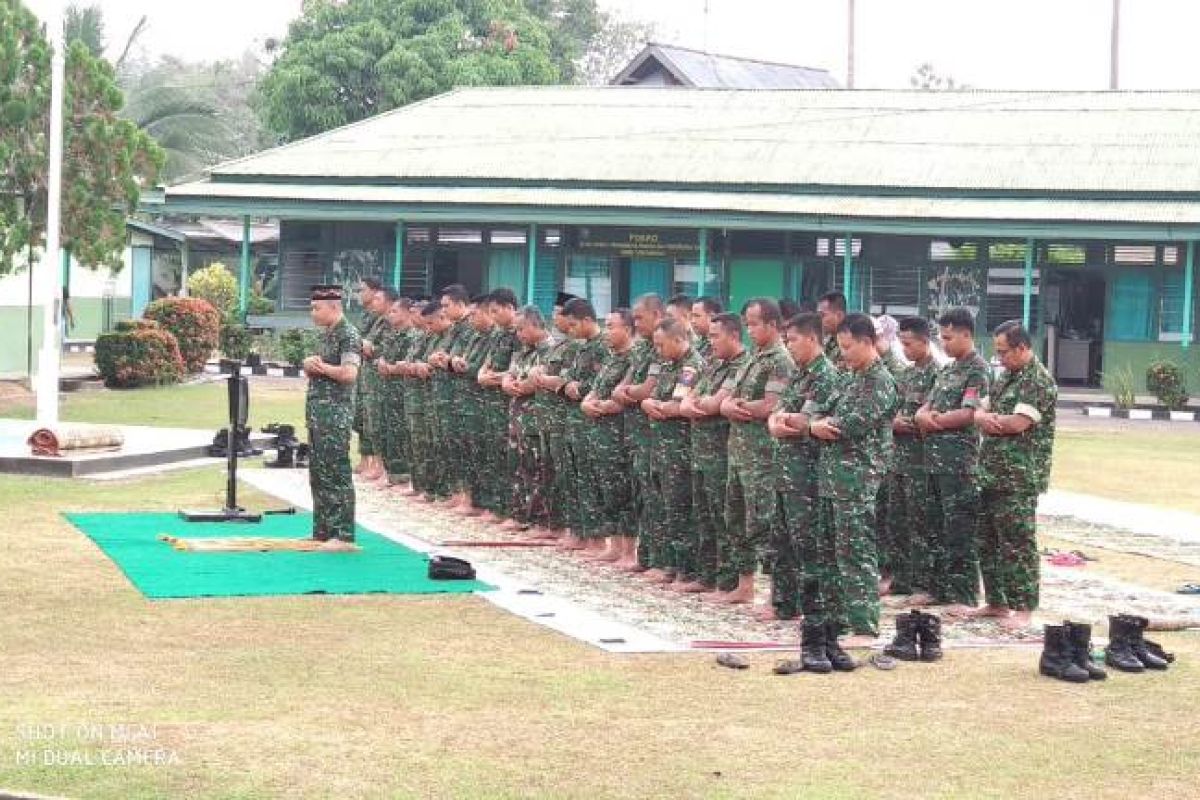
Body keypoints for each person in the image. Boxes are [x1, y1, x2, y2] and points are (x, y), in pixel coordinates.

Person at [809, 313, 898, 647]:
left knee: (856, 552)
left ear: (867, 342)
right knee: (830, 552)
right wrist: (812, 425)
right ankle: (836, 620)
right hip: (833, 477)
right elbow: (818, 411)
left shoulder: (880, 382)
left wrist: (816, 426)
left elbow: (848, 424)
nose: (842, 354)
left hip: (857, 479)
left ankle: (864, 626)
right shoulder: (850, 377)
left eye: (847, 347)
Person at [974, 320, 1057, 629]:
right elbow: (978, 411)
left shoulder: (1038, 380)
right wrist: (987, 418)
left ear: (1022, 348)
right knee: (987, 539)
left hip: (1019, 477)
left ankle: (1023, 607)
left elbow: (1017, 424)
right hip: (992, 472)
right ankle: (997, 601)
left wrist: (989, 419)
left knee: (1017, 543)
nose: (1000, 359)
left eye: (1004, 352)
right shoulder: (1006, 377)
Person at [767, 312, 843, 622]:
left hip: (807, 471)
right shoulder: (799, 374)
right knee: (781, 540)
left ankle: (812, 608)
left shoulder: (826, 376)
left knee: (806, 542)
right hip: (785, 469)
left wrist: (784, 421)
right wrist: (780, 421)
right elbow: (780, 413)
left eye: (793, 340)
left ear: (812, 338)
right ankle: (784, 604)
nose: (789, 346)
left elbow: (803, 421)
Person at [915, 307, 990, 614]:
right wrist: (924, 416)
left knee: (959, 529)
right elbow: (925, 406)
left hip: (958, 462)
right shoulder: (948, 370)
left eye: (948, 338)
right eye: (941, 338)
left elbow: (970, 413)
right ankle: (938, 588)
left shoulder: (977, 369)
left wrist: (935, 421)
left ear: (966, 334)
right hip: (934, 460)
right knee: (934, 526)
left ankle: (963, 594)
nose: (943, 344)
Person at [718, 297, 793, 606]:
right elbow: (729, 397)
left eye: (754, 324)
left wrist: (735, 407)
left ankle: (776, 593)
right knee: (735, 518)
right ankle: (744, 584)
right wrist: (730, 405)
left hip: (761, 456)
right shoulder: (752, 358)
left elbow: (769, 406)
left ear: (773, 325)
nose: (749, 330)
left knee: (763, 523)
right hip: (738, 452)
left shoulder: (780, 361)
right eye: (746, 324)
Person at [680, 312, 748, 595]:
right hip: (701, 451)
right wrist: (693, 403)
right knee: (704, 515)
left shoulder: (742, 366)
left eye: (714, 335)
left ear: (733, 335)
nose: (710, 341)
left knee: (726, 518)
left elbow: (715, 404)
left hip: (722, 452)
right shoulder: (711, 364)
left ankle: (729, 580)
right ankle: (707, 575)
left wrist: (699, 403)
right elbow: (686, 397)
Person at [640, 317, 703, 586]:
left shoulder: (692, 367)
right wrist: (649, 403)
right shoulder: (668, 365)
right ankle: (668, 563)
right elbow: (655, 396)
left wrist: (659, 407)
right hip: (661, 446)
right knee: (662, 506)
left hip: (680, 449)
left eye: (661, 344)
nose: (658, 350)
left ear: (678, 340)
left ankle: (685, 568)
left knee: (680, 508)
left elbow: (680, 405)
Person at [303, 285, 363, 550]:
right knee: (319, 472)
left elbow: (349, 374)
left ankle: (344, 534)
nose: (313, 313)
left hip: (335, 414)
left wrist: (322, 367)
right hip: (318, 413)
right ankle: (323, 529)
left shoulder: (348, 335)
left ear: (335, 307)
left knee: (336, 471)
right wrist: (310, 366)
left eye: (317, 308)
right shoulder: (328, 334)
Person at [887, 316, 940, 605]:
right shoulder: (907, 375)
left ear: (924, 341)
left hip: (921, 460)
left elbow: (930, 416)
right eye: (901, 344)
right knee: (898, 522)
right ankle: (900, 581)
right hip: (898, 459)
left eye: (908, 344)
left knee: (921, 524)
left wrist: (901, 422)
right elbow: (892, 409)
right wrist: (892, 420)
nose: (904, 350)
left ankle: (922, 583)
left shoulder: (938, 374)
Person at [579, 309, 638, 565]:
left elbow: (623, 397)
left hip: (620, 434)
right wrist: (587, 404)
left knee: (623, 490)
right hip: (599, 434)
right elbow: (595, 390)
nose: (607, 331)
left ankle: (628, 548)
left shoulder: (633, 359)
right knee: (606, 488)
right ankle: (613, 543)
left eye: (612, 326)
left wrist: (602, 406)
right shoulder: (612, 359)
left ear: (627, 329)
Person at [611, 294, 665, 572]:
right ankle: (642, 556)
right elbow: (626, 385)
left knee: (655, 499)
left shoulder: (663, 345)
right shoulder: (644, 348)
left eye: (641, 317)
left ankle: (654, 559)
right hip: (634, 432)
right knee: (637, 494)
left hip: (654, 436)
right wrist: (629, 392)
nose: (636, 322)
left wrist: (629, 392)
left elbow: (646, 390)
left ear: (657, 315)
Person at [559, 297, 609, 556]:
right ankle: (578, 529)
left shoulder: (603, 348)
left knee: (591, 479)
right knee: (575, 477)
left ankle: (596, 537)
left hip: (592, 423)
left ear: (588, 320)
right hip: (573, 420)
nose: (571, 330)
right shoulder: (581, 347)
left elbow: (602, 383)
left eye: (574, 325)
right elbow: (568, 374)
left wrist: (581, 388)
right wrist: (567, 385)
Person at [502, 306, 552, 532]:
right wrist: (507, 383)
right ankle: (520, 514)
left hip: (535, 419)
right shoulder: (523, 351)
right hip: (517, 418)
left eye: (521, 329)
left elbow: (537, 380)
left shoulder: (549, 350)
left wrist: (522, 386)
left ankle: (539, 521)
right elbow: (510, 373)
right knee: (518, 467)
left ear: (534, 325)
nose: (518, 334)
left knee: (537, 470)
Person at [476, 289, 521, 523]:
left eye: (496, 311)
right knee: (493, 453)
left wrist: (490, 377)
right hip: (490, 402)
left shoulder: (519, 334)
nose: (492, 316)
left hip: (507, 404)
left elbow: (516, 371)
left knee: (509, 457)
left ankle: (510, 510)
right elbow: (487, 363)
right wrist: (483, 374)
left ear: (510, 308)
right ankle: (496, 506)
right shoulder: (498, 335)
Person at [449, 295, 496, 516]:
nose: (472, 318)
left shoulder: (494, 337)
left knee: (484, 454)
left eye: (475, 314)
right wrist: (455, 361)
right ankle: (471, 498)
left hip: (481, 402)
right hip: (466, 400)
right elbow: (466, 360)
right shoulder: (476, 337)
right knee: (467, 451)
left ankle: (484, 502)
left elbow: (478, 368)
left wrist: (463, 365)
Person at [374, 293, 414, 489]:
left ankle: (401, 475)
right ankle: (391, 473)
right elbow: (382, 356)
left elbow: (407, 363)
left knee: (399, 432)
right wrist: (381, 362)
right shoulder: (392, 334)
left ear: (407, 313)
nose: (390, 315)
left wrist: (390, 368)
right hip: (386, 389)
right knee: (387, 431)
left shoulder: (411, 336)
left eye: (394, 311)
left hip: (400, 390)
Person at [816, 291, 847, 367]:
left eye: (822, 315)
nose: (818, 320)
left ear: (839, 315)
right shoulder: (827, 341)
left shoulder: (852, 342)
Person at [690, 296, 723, 361]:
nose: (693, 321)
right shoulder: (698, 343)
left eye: (697, 316)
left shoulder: (720, 346)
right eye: (692, 316)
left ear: (712, 317)